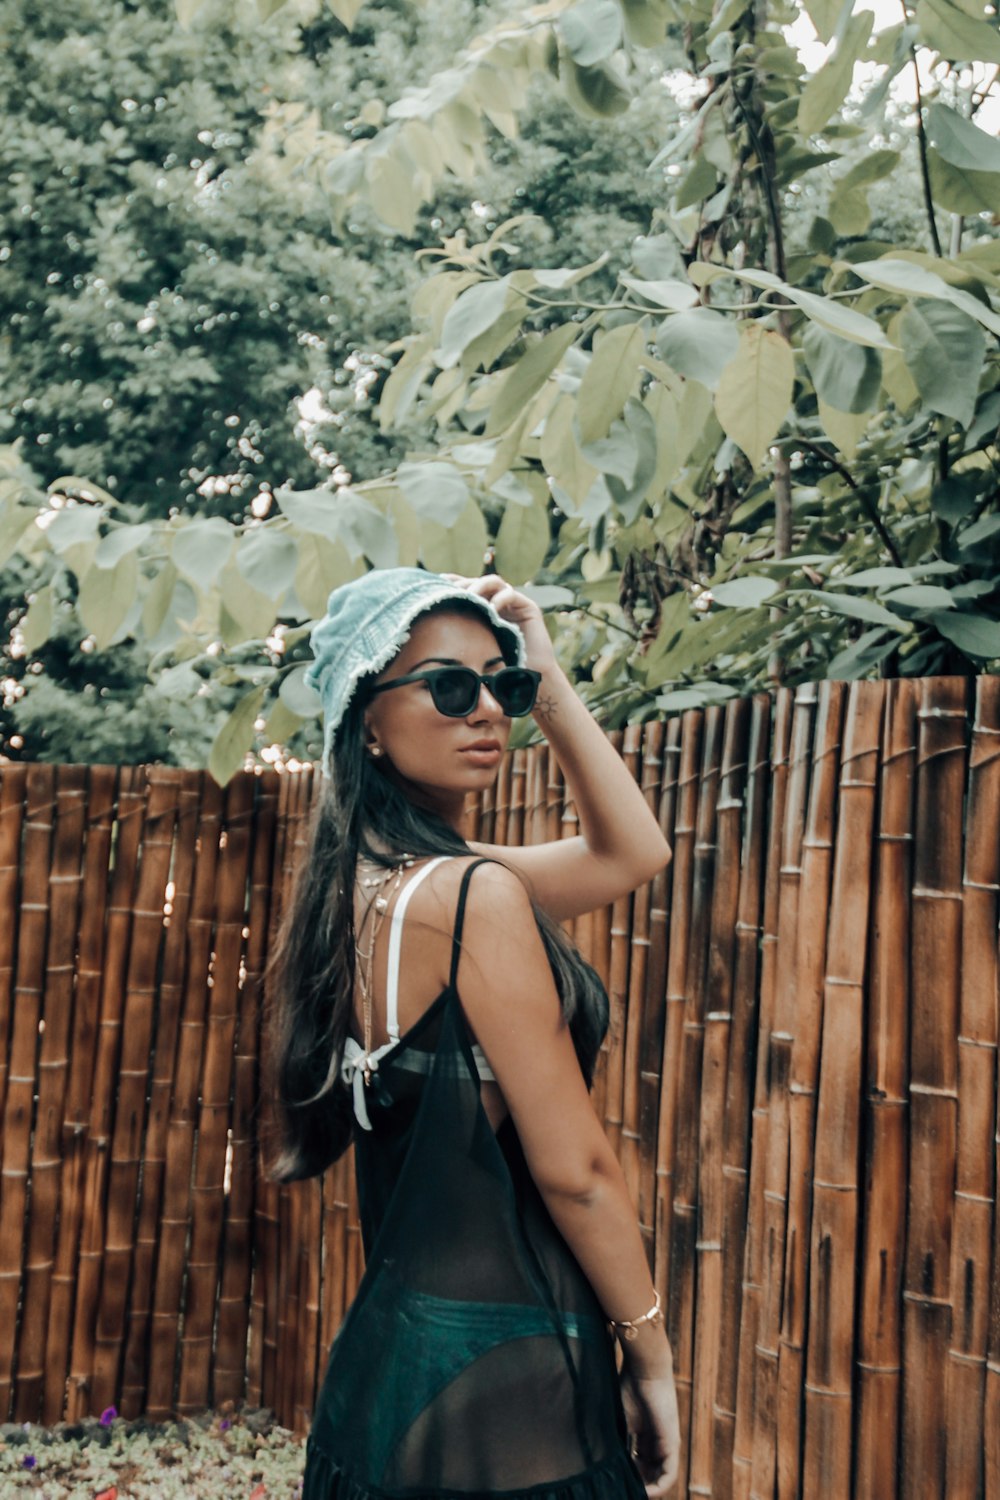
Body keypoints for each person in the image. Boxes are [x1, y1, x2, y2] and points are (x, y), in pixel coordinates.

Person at [266, 565, 680, 1499]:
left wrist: (550, 673)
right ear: (366, 720)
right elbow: (577, 1176)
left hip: (381, 1395)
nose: (487, 708)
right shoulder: (468, 898)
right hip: (515, 1411)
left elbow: (631, 852)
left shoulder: (363, 889)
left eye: (506, 684)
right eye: (450, 686)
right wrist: (648, 1348)